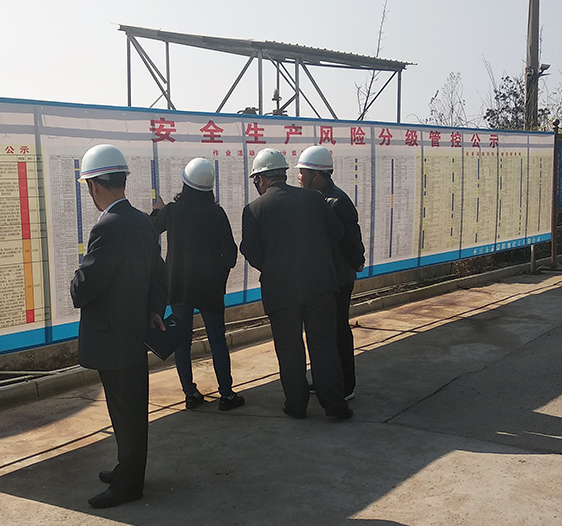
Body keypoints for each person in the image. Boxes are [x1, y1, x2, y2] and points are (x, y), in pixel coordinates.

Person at [70, 144, 168, 509]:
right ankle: (127, 468)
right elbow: (159, 273)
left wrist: (76, 278)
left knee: (126, 411)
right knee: (129, 408)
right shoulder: (143, 221)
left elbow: (85, 287)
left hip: (112, 336)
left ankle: (129, 484)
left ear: (94, 185)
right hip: (134, 332)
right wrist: (155, 309)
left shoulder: (107, 227)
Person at [240, 148, 352, 420]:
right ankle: (335, 405)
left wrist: (274, 268)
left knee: (289, 350)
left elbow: (251, 252)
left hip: (281, 291)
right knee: (324, 346)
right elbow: (337, 233)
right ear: (283, 173)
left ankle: (296, 405)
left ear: (260, 179)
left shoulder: (254, 209)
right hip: (320, 286)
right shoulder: (314, 199)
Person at [151, 157, 244, 411]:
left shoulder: (173, 211)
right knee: (218, 341)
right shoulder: (216, 213)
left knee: (182, 342)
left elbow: (151, 228)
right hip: (210, 289)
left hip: (179, 287)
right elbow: (231, 255)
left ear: (185, 184)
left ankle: (190, 394)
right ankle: (226, 395)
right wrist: (219, 273)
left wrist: (158, 210)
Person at [296, 146, 366, 401]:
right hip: (323, 279)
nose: (299, 177)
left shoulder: (337, 201)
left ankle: (345, 386)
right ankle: (324, 380)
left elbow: (351, 239)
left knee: (338, 332)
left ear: (316, 175)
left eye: (302, 172)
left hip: (338, 279)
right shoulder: (316, 199)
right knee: (321, 333)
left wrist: (357, 261)